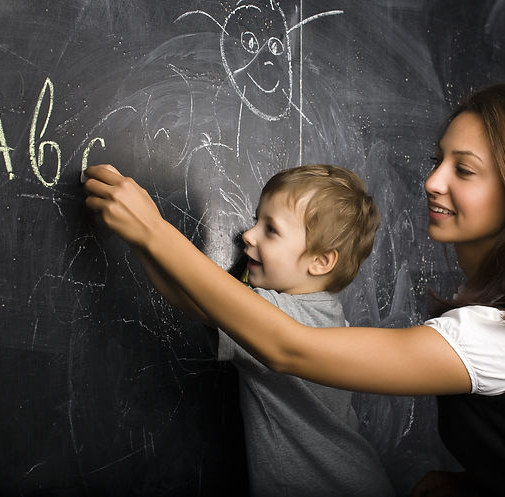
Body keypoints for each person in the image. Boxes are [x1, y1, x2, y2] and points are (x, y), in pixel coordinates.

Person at [83, 82, 505, 496]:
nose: (432, 181)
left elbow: (288, 347)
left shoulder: (490, 336)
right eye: (436, 160)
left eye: (463, 170)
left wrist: (155, 230)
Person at [90, 163, 395, 496]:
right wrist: (137, 237)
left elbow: (192, 297)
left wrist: (146, 229)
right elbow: (191, 296)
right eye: (256, 221)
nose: (247, 235)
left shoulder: (286, 317)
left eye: (271, 230)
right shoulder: (325, 315)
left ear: (321, 261)